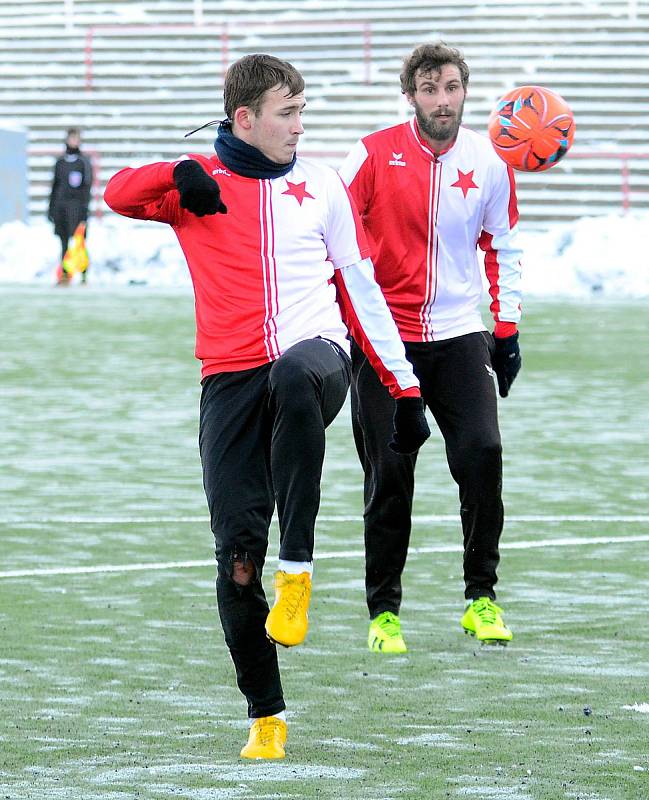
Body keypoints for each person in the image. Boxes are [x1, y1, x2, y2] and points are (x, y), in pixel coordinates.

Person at [104, 54, 430, 760]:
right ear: (245, 119)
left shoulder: (321, 184)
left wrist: (402, 387)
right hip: (228, 382)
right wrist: (175, 172)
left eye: (303, 110)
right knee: (233, 561)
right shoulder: (201, 183)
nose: (299, 126)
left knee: (291, 373)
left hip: (317, 362)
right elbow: (117, 195)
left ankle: (299, 571)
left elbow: (361, 288)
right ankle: (267, 717)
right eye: (287, 113)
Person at [338, 42, 523, 654]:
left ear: (465, 90)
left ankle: (482, 598)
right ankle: (384, 613)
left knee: (483, 453)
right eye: (429, 89)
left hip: (458, 334)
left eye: (451, 87)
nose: (442, 101)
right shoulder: (370, 154)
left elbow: (503, 247)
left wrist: (506, 328)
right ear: (410, 95)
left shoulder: (491, 161)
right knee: (390, 473)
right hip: (385, 340)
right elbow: (328, 231)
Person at [48, 127, 92, 284]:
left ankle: (84, 273)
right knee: (64, 241)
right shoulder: (60, 162)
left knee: (79, 241)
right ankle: (65, 273)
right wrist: (51, 208)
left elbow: (87, 187)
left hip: (77, 207)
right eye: (71, 138)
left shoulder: (83, 162)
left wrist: (85, 210)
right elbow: (54, 186)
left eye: (76, 138)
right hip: (61, 207)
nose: (74, 141)